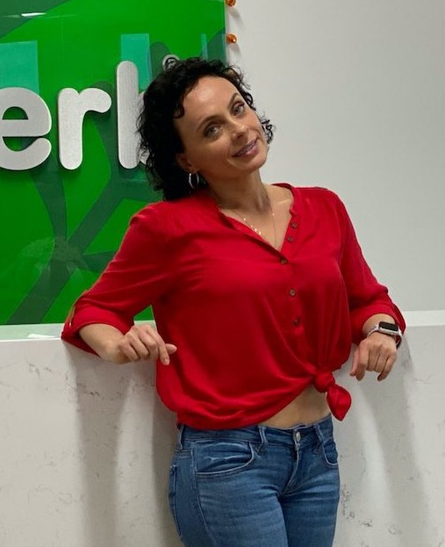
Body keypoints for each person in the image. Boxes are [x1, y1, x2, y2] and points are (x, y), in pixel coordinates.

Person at [61, 57, 405, 547]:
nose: (240, 129)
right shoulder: (166, 229)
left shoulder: (325, 207)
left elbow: (368, 299)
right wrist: (118, 345)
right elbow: (93, 311)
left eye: (238, 108)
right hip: (228, 462)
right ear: (187, 160)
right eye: (212, 129)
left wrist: (381, 330)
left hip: (318, 452)